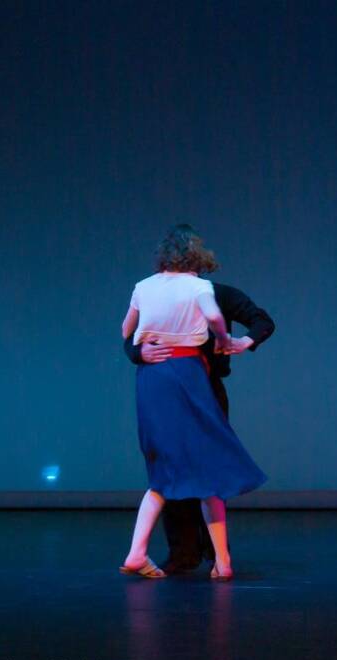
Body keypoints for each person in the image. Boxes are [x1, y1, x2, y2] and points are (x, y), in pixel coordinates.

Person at [118, 226, 266, 581]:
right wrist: (222, 338)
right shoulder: (199, 286)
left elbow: (126, 330)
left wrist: (144, 345)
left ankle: (170, 554)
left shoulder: (144, 285)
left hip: (156, 381)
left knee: (167, 467)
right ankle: (210, 559)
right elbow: (214, 318)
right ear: (196, 259)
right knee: (205, 468)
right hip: (187, 374)